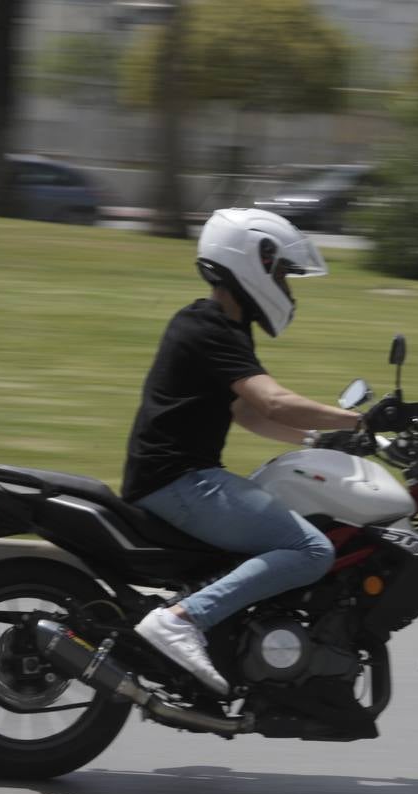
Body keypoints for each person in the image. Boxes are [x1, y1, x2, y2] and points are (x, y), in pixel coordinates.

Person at [123, 208, 362, 696]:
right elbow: (272, 400)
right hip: (180, 481)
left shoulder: (220, 327)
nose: (287, 288)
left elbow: (248, 412)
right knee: (312, 548)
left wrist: (321, 440)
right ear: (253, 262)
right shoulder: (210, 327)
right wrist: (358, 420)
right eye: (282, 275)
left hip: (178, 479)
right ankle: (182, 620)